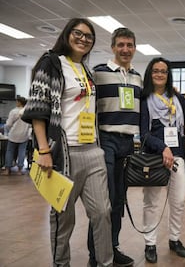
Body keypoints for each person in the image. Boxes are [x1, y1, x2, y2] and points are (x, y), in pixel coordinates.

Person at [21, 18, 113, 266]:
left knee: (103, 213)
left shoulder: (86, 70)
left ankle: (105, 263)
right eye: (78, 33)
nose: (83, 39)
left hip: (93, 151)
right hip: (63, 153)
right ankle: (61, 263)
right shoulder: (51, 63)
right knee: (63, 216)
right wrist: (43, 149)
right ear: (67, 34)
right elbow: (38, 110)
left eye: (89, 36)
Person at [87, 27, 141, 267]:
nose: (125, 49)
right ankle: (95, 255)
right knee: (104, 199)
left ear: (135, 48)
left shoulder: (138, 77)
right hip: (105, 140)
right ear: (113, 47)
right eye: (121, 45)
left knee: (119, 200)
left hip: (128, 143)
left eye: (129, 45)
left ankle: (113, 247)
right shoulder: (98, 73)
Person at [140, 57, 185, 263]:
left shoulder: (176, 99)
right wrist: (163, 148)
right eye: (155, 71)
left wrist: (178, 94)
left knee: (178, 201)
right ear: (150, 74)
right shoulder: (145, 100)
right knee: (151, 203)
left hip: (178, 156)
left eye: (164, 71)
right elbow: (143, 134)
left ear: (168, 75)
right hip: (154, 158)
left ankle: (174, 239)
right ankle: (150, 243)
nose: (160, 74)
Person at [1, 96, 31, 176]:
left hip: (13, 135)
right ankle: (20, 170)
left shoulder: (13, 111)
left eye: (17, 101)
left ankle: (7, 170)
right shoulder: (28, 111)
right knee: (22, 152)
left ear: (19, 102)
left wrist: (6, 128)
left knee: (10, 151)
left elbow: (8, 124)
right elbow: (30, 125)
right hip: (24, 135)